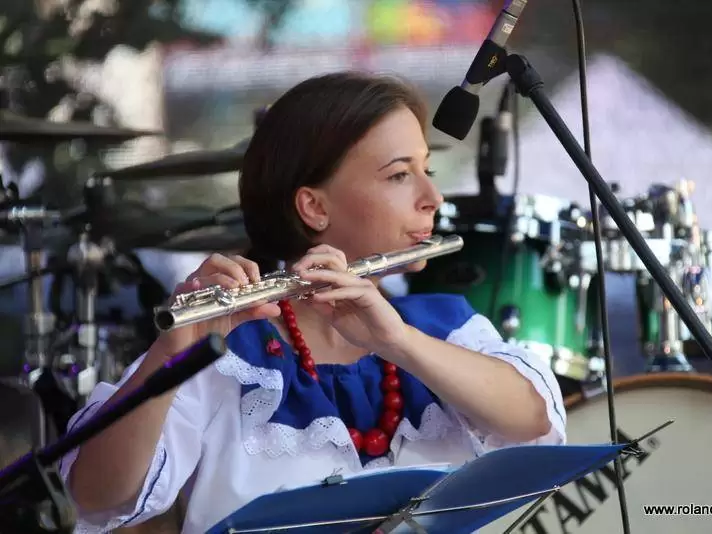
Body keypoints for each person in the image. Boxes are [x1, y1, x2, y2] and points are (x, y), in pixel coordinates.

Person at [60, 72, 567, 533]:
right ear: (314, 207)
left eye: (426, 169)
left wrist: (397, 340)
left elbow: (535, 420)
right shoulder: (227, 351)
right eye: (399, 175)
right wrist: (170, 358)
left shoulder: (444, 327)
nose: (433, 197)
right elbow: (96, 498)